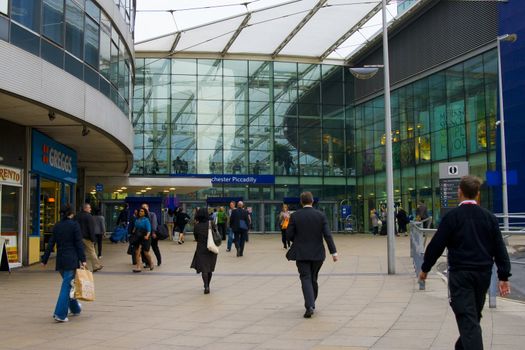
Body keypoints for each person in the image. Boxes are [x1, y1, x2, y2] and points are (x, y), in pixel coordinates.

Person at [419, 175, 511, 350]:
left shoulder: (452, 217)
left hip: (460, 276)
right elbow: (500, 248)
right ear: (477, 194)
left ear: (459, 192)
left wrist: (425, 269)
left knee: (469, 320)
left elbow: (436, 245)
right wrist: (503, 275)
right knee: (472, 318)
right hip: (483, 275)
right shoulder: (489, 217)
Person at [286, 191, 337, 318]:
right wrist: (334, 252)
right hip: (317, 254)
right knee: (313, 278)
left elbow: (289, 235)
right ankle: (311, 303)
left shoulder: (295, 216)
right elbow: (327, 235)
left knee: (306, 278)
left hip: (301, 253)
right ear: (312, 201)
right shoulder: (320, 215)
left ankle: (309, 305)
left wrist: (298, 240)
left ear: (301, 202)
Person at [41, 204, 87, 323]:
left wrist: (44, 259)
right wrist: (83, 260)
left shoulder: (57, 226)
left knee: (70, 284)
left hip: (60, 260)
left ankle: (75, 308)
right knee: (67, 286)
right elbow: (78, 244)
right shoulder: (74, 225)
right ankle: (60, 314)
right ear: (71, 213)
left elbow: (51, 243)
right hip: (71, 260)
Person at [191, 208, 218, 294]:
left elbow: (196, 238)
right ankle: (208, 285)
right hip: (211, 248)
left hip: (201, 249)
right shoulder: (211, 223)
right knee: (209, 268)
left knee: (204, 269)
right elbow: (216, 233)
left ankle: (206, 286)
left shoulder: (197, 226)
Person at [75, 203, 103, 272]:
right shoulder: (89, 216)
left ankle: (80, 266)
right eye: (89, 208)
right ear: (85, 208)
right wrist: (93, 238)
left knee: (79, 252)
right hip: (86, 237)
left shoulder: (77, 216)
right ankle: (96, 266)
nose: (90, 209)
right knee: (91, 251)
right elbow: (91, 229)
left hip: (78, 237)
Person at [132, 207, 153, 273]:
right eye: (140, 211)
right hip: (138, 237)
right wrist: (133, 232)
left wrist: (147, 236)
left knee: (146, 253)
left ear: (145, 213)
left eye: (142, 211)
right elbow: (135, 227)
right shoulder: (137, 220)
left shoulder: (146, 220)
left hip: (145, 237)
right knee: (137, 252)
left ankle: (151, 263)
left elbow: (149, 229)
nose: (140, 212)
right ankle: (138, 267)